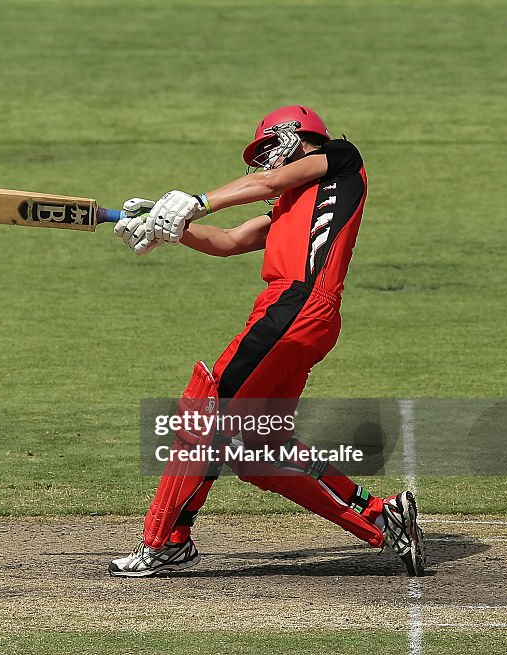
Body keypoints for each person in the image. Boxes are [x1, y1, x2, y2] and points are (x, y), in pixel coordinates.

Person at [108, 105, 426, 577]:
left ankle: (167, 539)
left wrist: (196, 200)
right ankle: (381, 515)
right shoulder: (291, 206)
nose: (266, 160)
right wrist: (167, 226)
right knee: (262, 452)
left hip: (296, 304)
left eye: (271, 146)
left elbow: (265, 183)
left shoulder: (339, 159)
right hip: (303, 317)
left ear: (300, 137)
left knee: (206, 405)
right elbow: (231, 240)